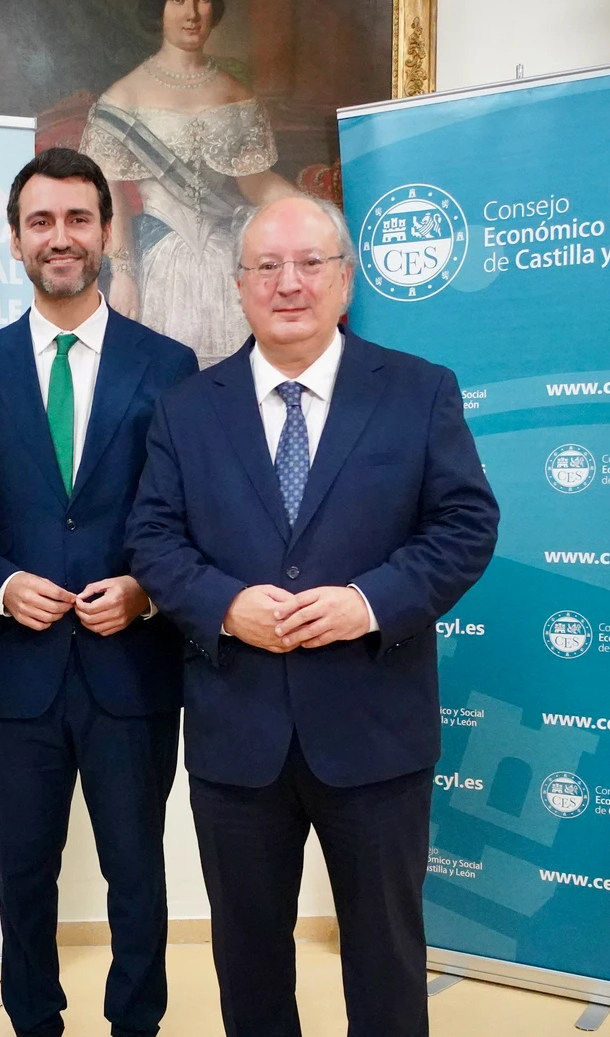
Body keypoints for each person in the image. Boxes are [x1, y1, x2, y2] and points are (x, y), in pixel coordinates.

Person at [126, 195, 500, 1036]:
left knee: (386, 955)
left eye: (309, 264)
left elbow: (466, 525)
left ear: (346, 280)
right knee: (249, 958)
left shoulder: (418, 390)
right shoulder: (188, 407)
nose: (288, 283)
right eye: (267, 266)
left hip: (375, 728)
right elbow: (152, 538)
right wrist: (226, 606)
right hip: (238, 731)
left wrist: (368, 603)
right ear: (240, 285)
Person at [0, 147, 198, 1037]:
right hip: (14, 675)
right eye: (41, 221)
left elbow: (191, 511)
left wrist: (145, 588)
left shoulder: (169, 365)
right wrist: (1, 583)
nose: (60, 237)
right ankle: (35, 1021)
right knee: (24, 873)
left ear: (105, 232)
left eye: (78, 219)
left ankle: (136, 1023)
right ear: (16, 239)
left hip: (131, 669)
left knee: (137, 872)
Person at [80, 0, 295, 368]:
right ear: (158, 8)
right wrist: (123, 273)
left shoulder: (237, 94)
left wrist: (312, 212)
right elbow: (109, 197)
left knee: (237, 381)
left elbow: (255, 183)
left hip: (227, 262)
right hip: (159, 262)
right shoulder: (123, 97)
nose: (192, 14)